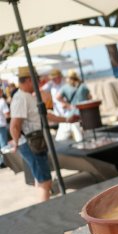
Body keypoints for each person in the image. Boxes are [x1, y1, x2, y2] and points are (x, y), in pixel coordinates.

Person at [9, 66, 78, 202]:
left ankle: (42, 207)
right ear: (29, 80)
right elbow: (15, 125)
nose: (39, 82)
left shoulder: (28, 96)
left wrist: (66, 120)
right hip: (30, 143)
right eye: (37, 79)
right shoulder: (21, 98)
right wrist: (16, 143)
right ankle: (43, 210)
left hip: (34, 141)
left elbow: (45, 116)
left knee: (41, 179)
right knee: (45, 181)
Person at [55, 69, 91, 142]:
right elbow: (89, 97)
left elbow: (57, 97)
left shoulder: (65, 87)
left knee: (69, 136)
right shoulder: (83, 86)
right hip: (84, 112)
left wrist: (67, 105)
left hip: (73, 113)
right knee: (84, 134)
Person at [0, 87, 10, 168]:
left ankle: (2, 161)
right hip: (2, 124)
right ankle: (4, 162)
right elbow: (7, 114)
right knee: (4, 144)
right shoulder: (2, 101)